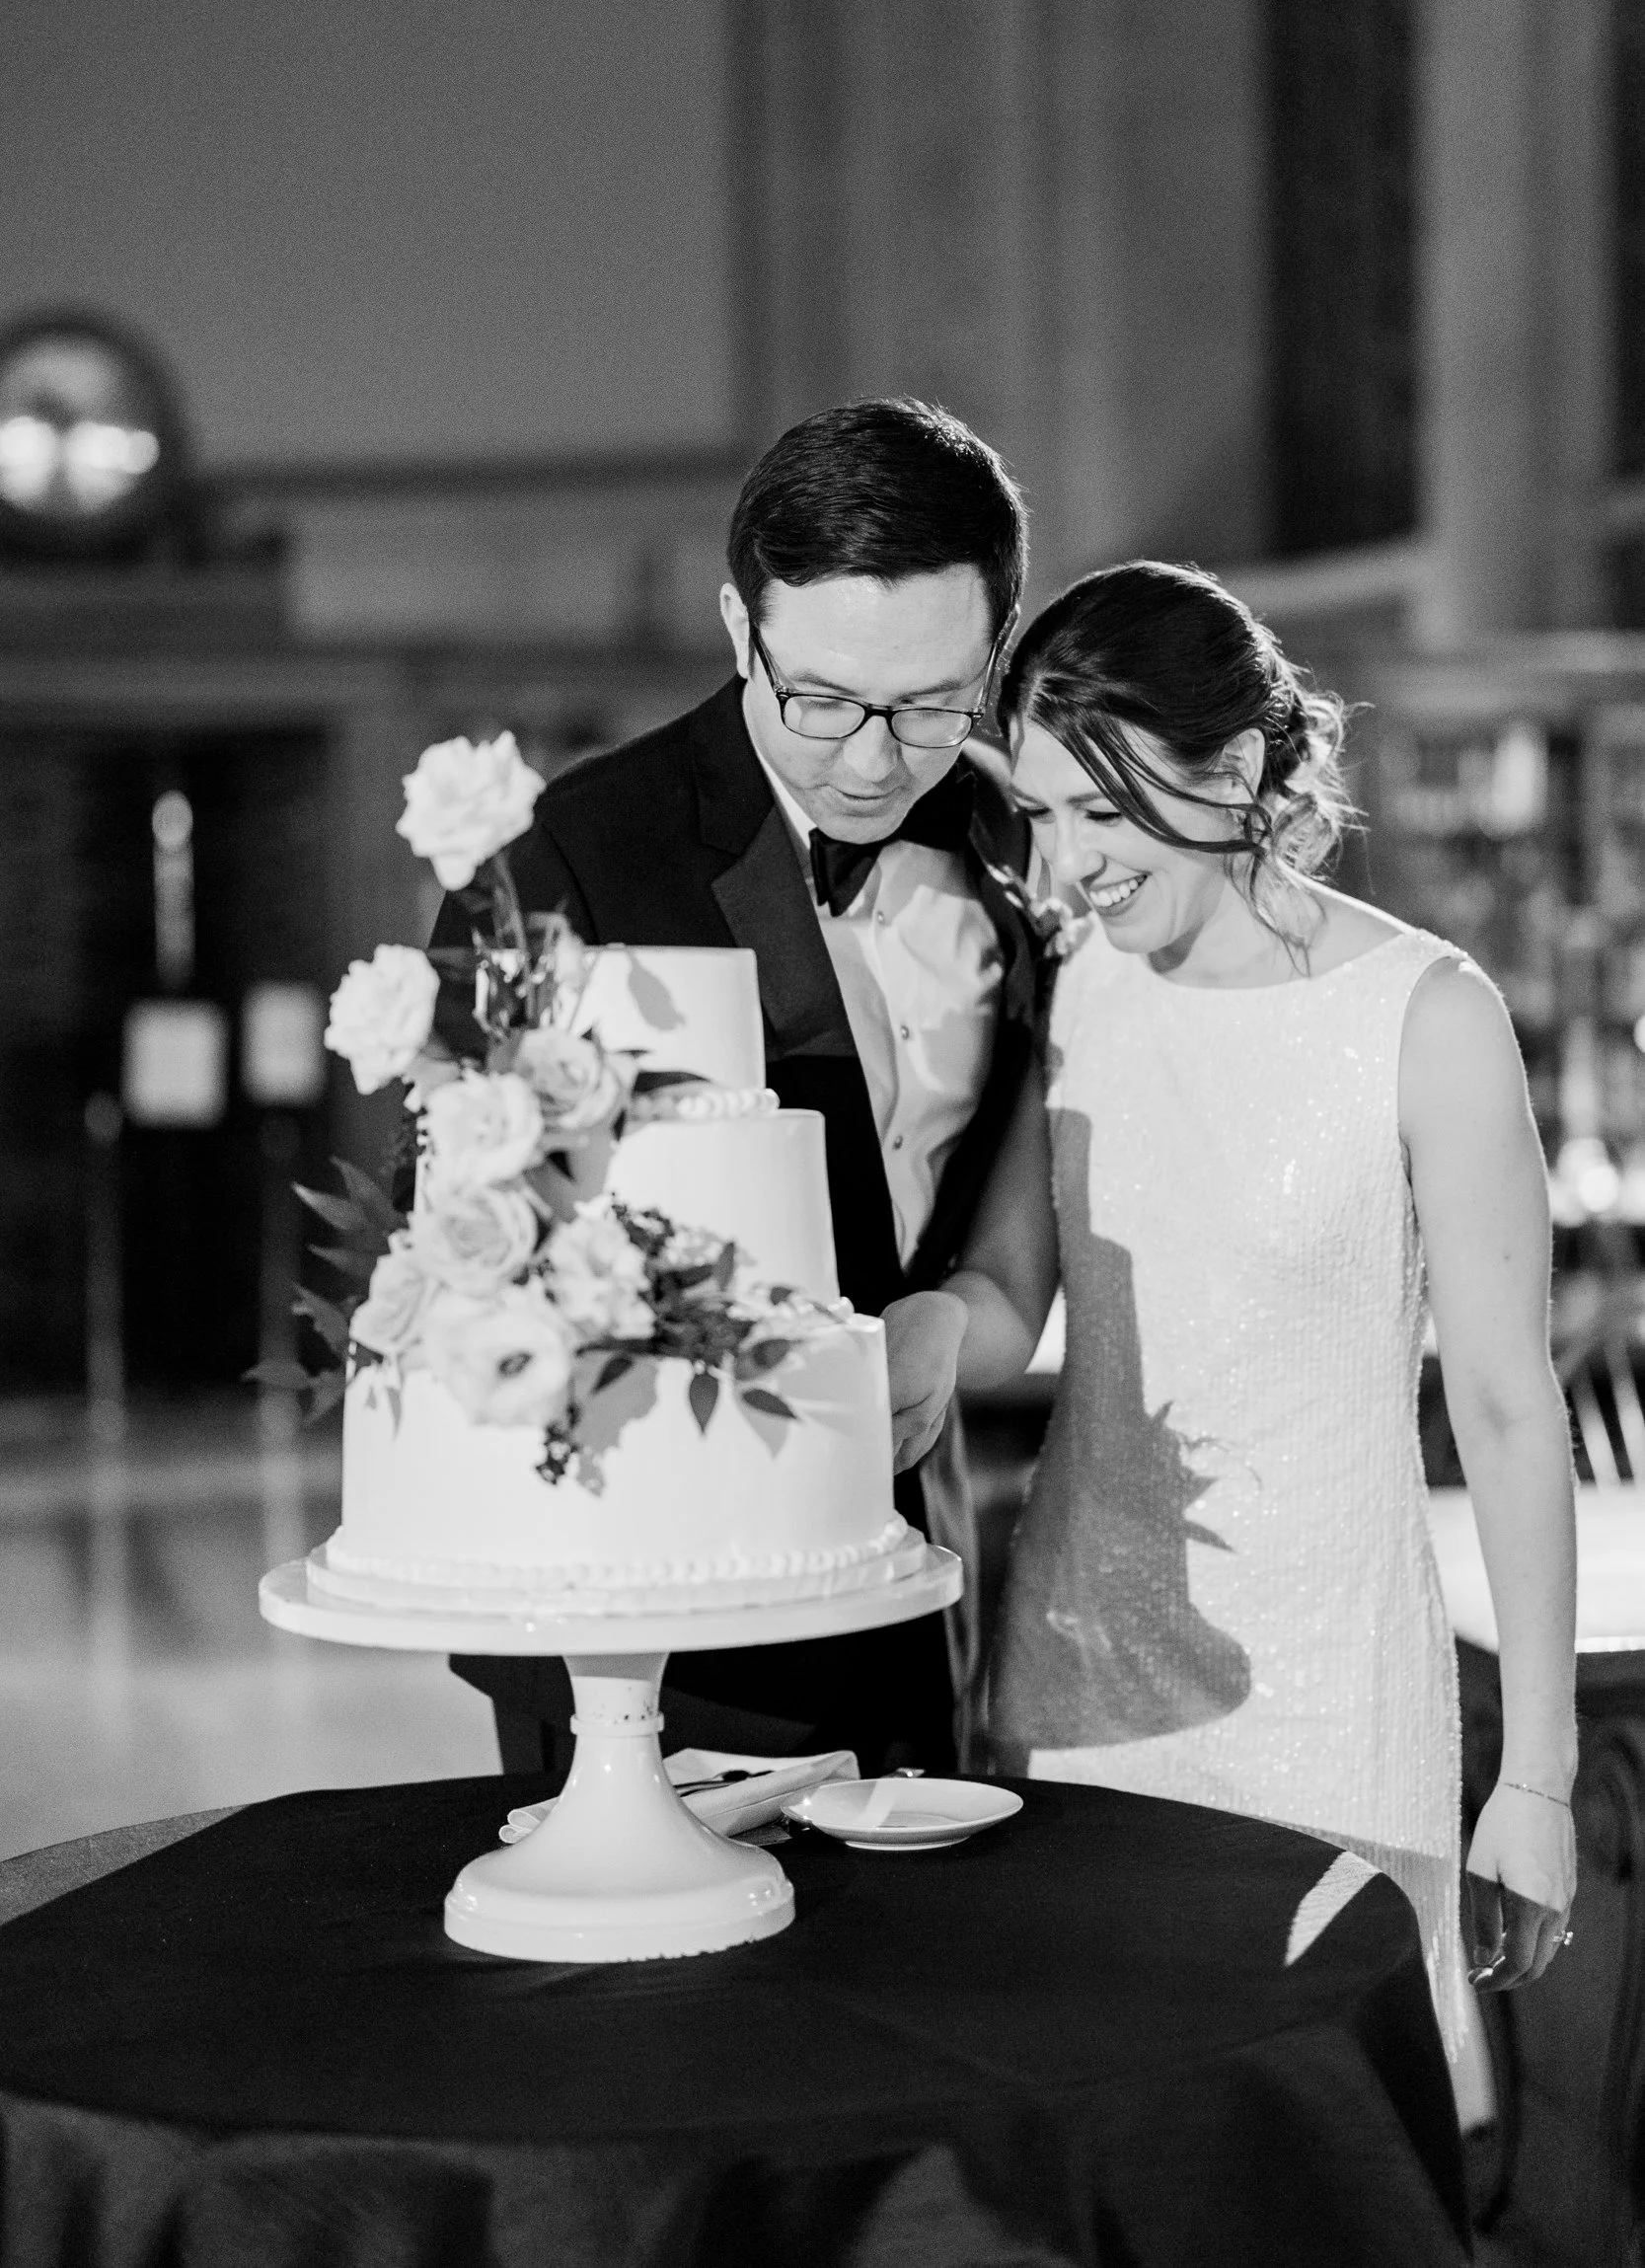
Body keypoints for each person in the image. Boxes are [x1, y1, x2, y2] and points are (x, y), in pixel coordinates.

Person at [929, 559, 1577, 2047]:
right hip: (1082, 1677)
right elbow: (1006, 1291)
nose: (1064, 859)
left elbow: (1501, 1404)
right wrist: (843, 1356)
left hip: (1327, 1701)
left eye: (1101, 809)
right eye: (1037, 810)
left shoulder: (1429, 1018)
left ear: (1235, 770)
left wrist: (1532, 1778)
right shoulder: (1073, 986)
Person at [435, 397, 1037, 1781]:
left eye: (933, 702)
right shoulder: (573, 860)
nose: (875, 758)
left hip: (905, 1582)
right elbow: (466, 1240)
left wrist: (945, 1323)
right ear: (734, 628)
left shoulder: (1018, 848)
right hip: (639, 1629)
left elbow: (989, 1226)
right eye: (819, 699)